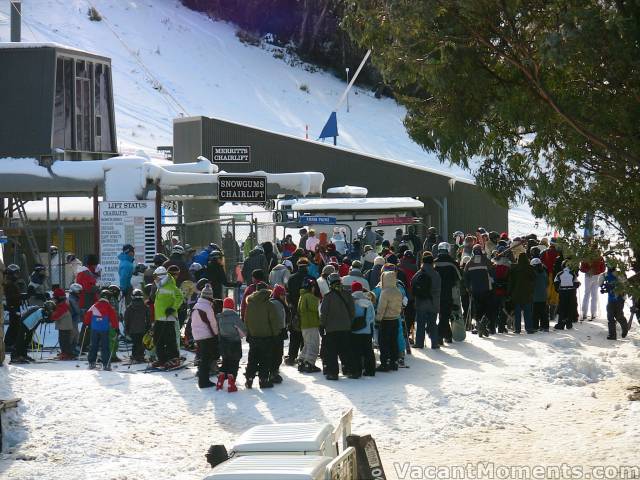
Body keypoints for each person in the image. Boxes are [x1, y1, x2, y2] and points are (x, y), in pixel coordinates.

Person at [320, 273, 357, 380]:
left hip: (331, 329)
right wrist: (348, 321)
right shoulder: (347, 294)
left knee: (331, 352)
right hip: (346, 327)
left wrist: (322, 325)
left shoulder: (328, 296)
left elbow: (324, 313)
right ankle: (351, 370)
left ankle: (333, 373)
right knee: (346, 350)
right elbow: (352, 311)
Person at [244, 283, 280, 389]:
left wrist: (249, 333)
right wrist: (275, 335)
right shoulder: (269, 305)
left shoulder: (250, 304)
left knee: (253, 359)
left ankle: (249, 379)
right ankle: (263, 380)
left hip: (253, 336)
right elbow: (273, 322)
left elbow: (246, 321)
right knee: (265, 359)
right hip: (266, 337)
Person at [152, 266, 184, 368]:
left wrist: (173, 308)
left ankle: (174, 359)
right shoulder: (160, 285)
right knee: (158, 339)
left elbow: (180, 297)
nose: (155, 278)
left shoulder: (170, 285)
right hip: (159, 317)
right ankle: (162, 359)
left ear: (161, 276)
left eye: (156, 276)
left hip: (168, 317)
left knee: (169, 339)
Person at [190, 284, 219, 388]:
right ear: (210, 296)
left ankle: (203, 380)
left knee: (202, 357)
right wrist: (216, 335)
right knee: (206, 359)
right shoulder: (208, 307)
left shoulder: (196, 306)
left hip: (197, 335)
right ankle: (204, 381)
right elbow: (213, 323)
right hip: (206, 335)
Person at [464, 244, 496, 337]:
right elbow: (493, 273)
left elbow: (465, 278)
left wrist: (468, 288)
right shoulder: (486, 261)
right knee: (488, 308)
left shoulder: (469, 263)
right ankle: (483, 324)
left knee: (478, 309)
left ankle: (479, 326)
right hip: (487, 289)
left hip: (474, 290)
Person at [375, 270, 404, 370]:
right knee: (393, 341)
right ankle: (393, 361)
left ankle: (384, 363)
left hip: (386, 320)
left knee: (384, 342)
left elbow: (381, 307)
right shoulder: (398, 291)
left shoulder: (385, 292)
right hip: (395, 319)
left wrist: (378, 319)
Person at [84, 290, 119, 370]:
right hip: (104, 329)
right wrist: (116, 328)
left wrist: (86, 323)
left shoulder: (94, 305)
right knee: (105, 347)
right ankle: (106, 364)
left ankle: (92, 362)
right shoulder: (109, 307)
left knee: (93, 345)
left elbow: (87, 315)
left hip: (94, 329)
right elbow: (113, 318)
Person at [216, 297, 246, 392]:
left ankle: (220, 381)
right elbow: (243, 331)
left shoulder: (220, 317)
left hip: (223, 343)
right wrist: (240, 335)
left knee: (225, 361)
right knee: (234, 362)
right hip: (234, 343)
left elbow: (217, 331)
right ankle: (231, 384)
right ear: (233, 306)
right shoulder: (234, 316)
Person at [412, 255, 442, 349]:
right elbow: (439, 288)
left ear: (423, 262)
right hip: (433, 302)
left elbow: (412, 283)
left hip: (421, 302)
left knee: (420, 323)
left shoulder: (419, 273)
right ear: (432, 263)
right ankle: (435, 343)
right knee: (432, 323)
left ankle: (419, 343)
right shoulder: (436, 274)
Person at [434, 242, 461, 343]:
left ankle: (445, 335)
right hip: (448, 292)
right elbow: (459, 278)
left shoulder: (434, 262)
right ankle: (443, 335)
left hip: (435, 293)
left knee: (442, 315)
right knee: (445, 314)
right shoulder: (453, 264)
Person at [284, 258, 309, 365]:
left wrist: (291, 306)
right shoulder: (311, 278)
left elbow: (288, 294)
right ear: (307, 266)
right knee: (306, 335)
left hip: (294, 310)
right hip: (307, 310)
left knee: (294, 335)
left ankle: (292, 357)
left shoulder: (291, 278)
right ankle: (304, 357)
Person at [350, 281, 376, 376]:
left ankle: (357, 370)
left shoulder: (352, 301)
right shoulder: (368, 301)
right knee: (368, 351)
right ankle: (370, 370)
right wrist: (367, 324)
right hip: (367, 330)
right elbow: (372, 317)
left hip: (355, 331)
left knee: (356, 351)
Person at [508, 254, 537, 334]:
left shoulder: (514, 269)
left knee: (517, 313)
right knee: (528, 313)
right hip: (527, 294)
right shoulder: (530, 268)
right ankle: (529, 328)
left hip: (516, 294)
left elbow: (511, 282)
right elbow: (534, 279)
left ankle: (517, 329)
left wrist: (509, 292)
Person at [297, 277, 322, 373]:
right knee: (314, 345)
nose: (314, 288)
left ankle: (302, 360)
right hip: (312, 323)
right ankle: (310, 363)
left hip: (304, 324)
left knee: (307, 344)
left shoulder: (302, 296)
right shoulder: (310, 297)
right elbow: (317, 309)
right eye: (313, 286)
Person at [600, 265, 629, 340]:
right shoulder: (606, 275)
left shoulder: (619, 274)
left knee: (619, 316)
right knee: (610, 317)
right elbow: (600, 283)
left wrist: (614, 285)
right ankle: (612, 335)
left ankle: (625, 328)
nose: (609, 267)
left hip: (619, 299)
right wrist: (603, 287)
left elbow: (625, 284)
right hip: (610, 299)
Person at [269, 285, 289, 383]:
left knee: (274, 352)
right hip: (277, 332)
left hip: (271, 332)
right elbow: (281, 319)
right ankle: (273, 372)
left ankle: (272, 371)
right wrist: (282, 329)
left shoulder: (271, 301)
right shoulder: (278, 304)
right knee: (277, 352)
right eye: (282, 294)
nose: (284, 296)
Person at [124, 289, 150, 363]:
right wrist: (149, 327)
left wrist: (126, 329)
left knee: (135, 343)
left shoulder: (129, 307)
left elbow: (126, 319)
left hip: (132, 329)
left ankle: (135, 355)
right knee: (141, 342)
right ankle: (140, 355)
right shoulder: (145, 307)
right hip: (143, 329)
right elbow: (148, 318)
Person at [554, 262, 580, 330]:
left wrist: (558, 290)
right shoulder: (572, 273)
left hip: (562, 292)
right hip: (571, 292)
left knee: (562, 308)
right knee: (570, 307)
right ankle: (569, 324)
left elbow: (556, 283)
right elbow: (576, 284)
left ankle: (561, 324)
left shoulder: (559, 273)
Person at [51, 288, 76, 360]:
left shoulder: (62, 306)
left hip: (65, 327)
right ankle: (65, 352)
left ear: (59, 298)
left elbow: (56, 315)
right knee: (63, 340)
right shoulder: (62, 304)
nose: (54, 300)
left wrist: (50, 316)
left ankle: (66, 353)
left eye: (55, 298)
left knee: (64, 341)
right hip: (63, 326)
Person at [580, 252, 606, 321]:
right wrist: (597, 271)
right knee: (594, 295)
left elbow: (582, 268)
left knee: (587, 294)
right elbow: (603, 269)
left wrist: (588, 271)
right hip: (596, 276)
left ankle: (584, 313)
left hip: (588, 276)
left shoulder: (586, 255)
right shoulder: (600, 257)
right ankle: (593, 313)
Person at [530, 258, 549, 331]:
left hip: (535, 296)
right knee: (543, 312)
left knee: (535, 313)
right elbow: (547, 283)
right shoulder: (544, 272)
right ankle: (545, 326)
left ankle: (535, 327)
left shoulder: (533, 273)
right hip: (543, 295)